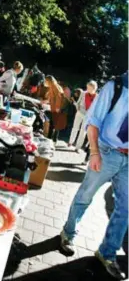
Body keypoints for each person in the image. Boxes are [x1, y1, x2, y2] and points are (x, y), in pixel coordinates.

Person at [60, 71, 128, 280]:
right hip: (107, 152)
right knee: (85, 196)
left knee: (125, 208)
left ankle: (107, 253)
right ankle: (68, 234)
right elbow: (93, 121)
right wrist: (95, 153)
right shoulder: (116, 86)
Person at [68, 81, 98, 151]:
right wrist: (77, 107)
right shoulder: (83, 93)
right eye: (87, 87)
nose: (87, 89)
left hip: (88, 116)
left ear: (94, 88)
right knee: (75, 128)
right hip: (80, 113)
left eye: (89, 88)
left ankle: (78, 147)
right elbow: (78, 102)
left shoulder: (97, 97)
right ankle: (70, 142)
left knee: (83, 131)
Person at [44, 75, 68, 145]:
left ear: (49, 81)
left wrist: (57, 108)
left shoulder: (55, 87)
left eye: (46, 81)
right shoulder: (53, 87)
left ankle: (52, 141)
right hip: (55, 109)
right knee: (53, 124)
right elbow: (52, 98)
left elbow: (58, 98)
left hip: (58, 110)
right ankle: (50, 140)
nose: (45, 82)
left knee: (55, 125)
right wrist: (45, 101)